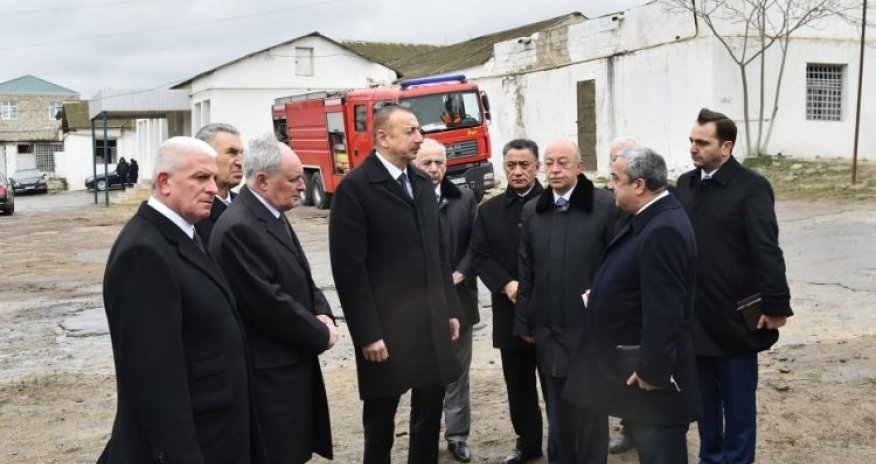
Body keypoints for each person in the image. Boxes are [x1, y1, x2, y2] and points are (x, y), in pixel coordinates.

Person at [98, 137, 252, 463]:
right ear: (165, 182)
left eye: (213, 177)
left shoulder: (187, 233)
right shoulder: (144, 252)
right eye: (200, 178)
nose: (212, 187)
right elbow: (154, 378)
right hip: (194, 440)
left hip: (218, 428)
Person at [329, 104, 461, 464]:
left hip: (428, 322)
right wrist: (367, 333)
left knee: (429, 410)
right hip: (385, 330)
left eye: (419, 130)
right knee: (381, 416)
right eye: (410, 132)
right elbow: (349, 270)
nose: (420, 138)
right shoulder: (356, 188)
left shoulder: (420, 182)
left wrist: (449, 309)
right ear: (383, 138)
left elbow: (438, 253)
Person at [565, 146, 700, 464]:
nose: (610, 185)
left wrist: (653, 372)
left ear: (639, 185)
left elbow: (665, 310)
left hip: (652, 383)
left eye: (615, 178)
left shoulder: (663, 229)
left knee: (661, 454)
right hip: (636, 373)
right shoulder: (642, 218)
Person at [209, 134, 338, 464]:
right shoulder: (240, 227)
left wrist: (323, 312)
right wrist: (319, 333)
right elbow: (269, 303)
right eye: (294, 179)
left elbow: (300, 276)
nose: (301, 187)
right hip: (268, 374)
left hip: (288, 366)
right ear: (263, 180)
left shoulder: (270, 214)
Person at [675, 108, 793, 464]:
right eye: (691, 141)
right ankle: (711, 457)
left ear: (726, 147)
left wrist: (775, 306)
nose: (693, 148)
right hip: (695, 315)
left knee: (738, 404)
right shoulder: (685, 184)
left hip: (735, 317)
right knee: (704, 403)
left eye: (702, 142)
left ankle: (738, 459)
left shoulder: (752, 187)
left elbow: (767, 249)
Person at [514, 139, 616, 463]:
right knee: (557, 409)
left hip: (589, 328)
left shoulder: (604, 206)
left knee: (590, 409)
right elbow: (526, 271)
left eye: (563, 162)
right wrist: (525, 320)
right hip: (548, 330)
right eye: (549, 163)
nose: (555, 170)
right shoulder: (534, 211)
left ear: (579, 166)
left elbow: (617, 266)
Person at [470, 138, 549, 464]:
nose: (518, 172)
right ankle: (528, 443)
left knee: (556, 382)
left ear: (537, 167)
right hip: (509, 309)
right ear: (504, 168)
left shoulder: (554, 204)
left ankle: (563, 439)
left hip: (549, 312)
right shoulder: (488, 211)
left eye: (524, 165)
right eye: (511, 166)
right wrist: (506, 284)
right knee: (518, 384)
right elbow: (480, 255)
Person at [414, 138, 479, 463]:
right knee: (425, 375)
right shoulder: (405, 200)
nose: (435, 169)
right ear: (414, 164)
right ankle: (424, 439)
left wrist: (460, 273)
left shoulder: (464, 198)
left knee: (457, 373)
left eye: (440, 162)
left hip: (460, 300)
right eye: (427, 163)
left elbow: (476, 243)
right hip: (419, 306)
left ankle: (457, 436)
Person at [606, 135, 639, 455]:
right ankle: (629, 427)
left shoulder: (656, 197)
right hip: (616, 303)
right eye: (614, 158)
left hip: (644, 299)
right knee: (621, 369)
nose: (618, 162)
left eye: (625, 157)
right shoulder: (606, 202)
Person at [194, 123, 244, 246]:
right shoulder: (193, 213)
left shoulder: (246, 204)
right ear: (204, 157)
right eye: (231, 153)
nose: (240, 162)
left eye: (241, 153)